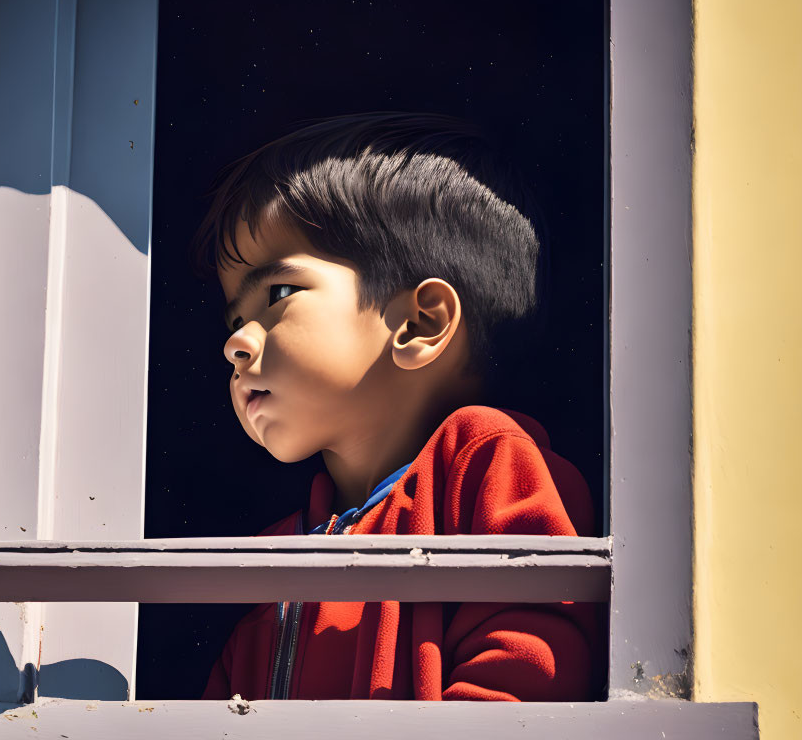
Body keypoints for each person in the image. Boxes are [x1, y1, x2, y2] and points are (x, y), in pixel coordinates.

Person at [194, 112, 600, 702]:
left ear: (418, 323)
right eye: (234, 319)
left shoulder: (483, 460)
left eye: (279, 293)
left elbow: (526, 666)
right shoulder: (271, 557)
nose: (235, 342)